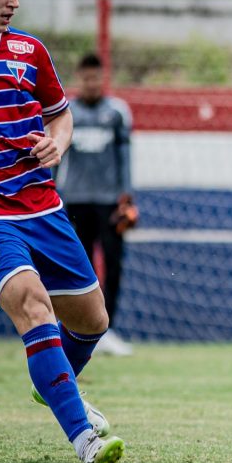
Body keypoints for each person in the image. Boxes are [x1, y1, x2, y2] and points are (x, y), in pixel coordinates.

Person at [0, 0, 123, 463]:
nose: (14, 0)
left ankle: (55, 381)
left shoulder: (30, 51)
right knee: (32, 305)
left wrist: (56, 144)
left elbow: (59, 117)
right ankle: (85, 440)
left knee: (92, 321)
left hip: (44, 208)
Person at [56, 53, 137, 357]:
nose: (91, 84)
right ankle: (79, 330)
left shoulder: (117, 112)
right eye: (86, 78)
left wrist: (127, 194)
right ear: (79, 77)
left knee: (113, 266)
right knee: (80, 267)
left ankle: (109, 329)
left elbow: (125, 156)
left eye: (96, 78)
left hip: (109, 203)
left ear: (102, 78)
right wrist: (52, 191)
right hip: (75, 201)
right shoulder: (68, 112)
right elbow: (55, 156)